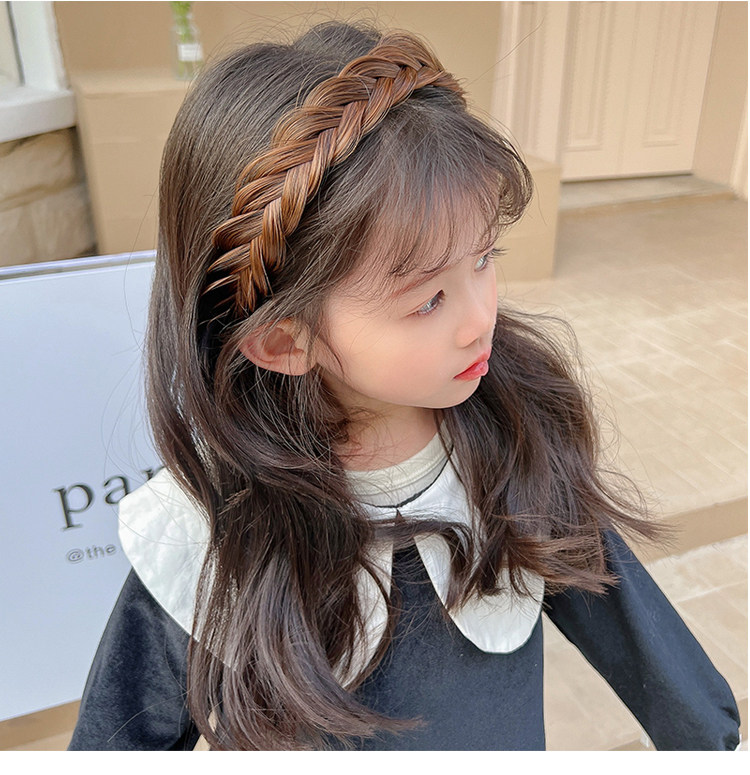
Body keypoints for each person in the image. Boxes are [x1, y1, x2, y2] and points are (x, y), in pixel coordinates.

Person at [68, 21, 741, 751]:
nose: (480, 319)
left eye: (484, 257)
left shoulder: (509, 437)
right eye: (428, 301)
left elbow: (635, 630)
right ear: (283, 340)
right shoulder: (209, 536)